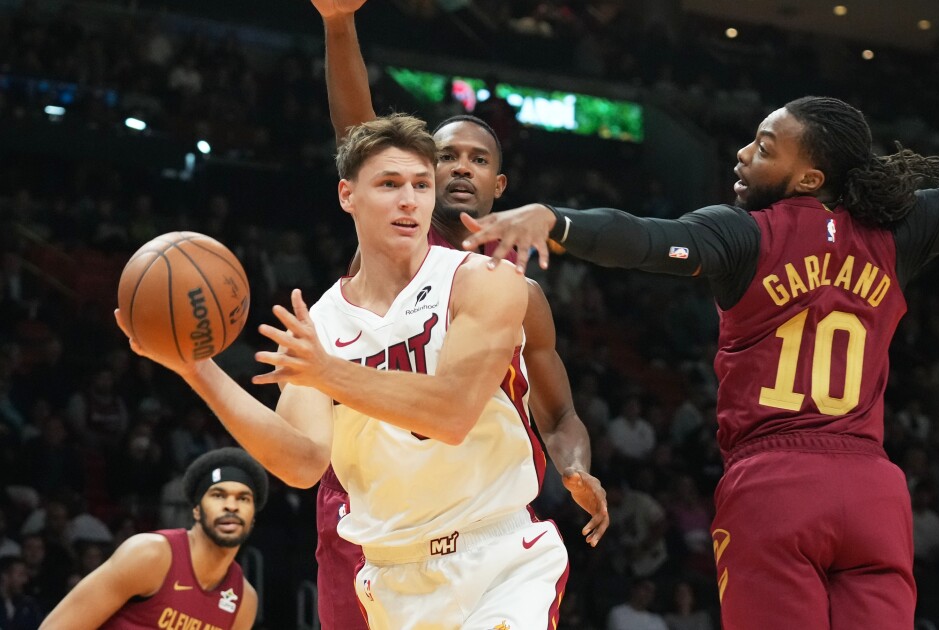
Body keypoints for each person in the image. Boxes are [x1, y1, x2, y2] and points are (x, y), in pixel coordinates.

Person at [460, 9, 939, 628]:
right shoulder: (903, 229)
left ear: (809, 176)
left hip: (774, 486)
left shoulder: (739, 231)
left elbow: (646, 239)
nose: (745, 153)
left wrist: (554, 219)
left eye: (766, 147)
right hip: (874, 495)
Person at [115, 113, 571, 629]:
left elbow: (452, 412)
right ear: (346, 196)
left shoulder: (484, 282)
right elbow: (303, 463)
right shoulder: (322, 324)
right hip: (391, 579)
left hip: (498, 560)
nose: (410, 200)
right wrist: (199, 370)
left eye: (422, 184)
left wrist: (326, 373)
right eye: (390, 184)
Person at [312, 1, 609, 626]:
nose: (462, 168)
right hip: (370, 510)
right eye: (447, 157)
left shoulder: (508, 286)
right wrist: (339, 24)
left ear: (501, 184)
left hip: (474, 524)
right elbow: (355, 135)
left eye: (479, 159)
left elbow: (556, 412)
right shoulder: (393, 240)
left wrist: (576, 469)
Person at [39, 448, 264, 630]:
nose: (231, 506)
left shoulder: (243, 600)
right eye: (218, 495)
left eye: (243, 499)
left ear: (253, 516)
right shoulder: (150, 555)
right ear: (196, 510)